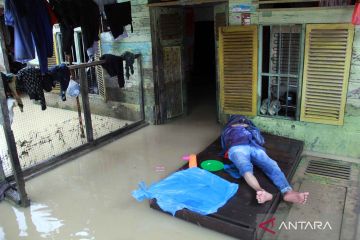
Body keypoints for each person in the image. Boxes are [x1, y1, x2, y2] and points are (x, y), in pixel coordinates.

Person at [221, 115, 309, 204]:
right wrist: (238, 127)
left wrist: (250, 128)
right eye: (238, 120)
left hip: (254, 147)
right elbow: (225, 142)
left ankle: (288, 191)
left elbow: (261, 141)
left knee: (271, 164)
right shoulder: (228, 129)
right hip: (237, 147)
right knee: (245, 168)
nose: (242, 121)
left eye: (244, 120)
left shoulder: (251, 128)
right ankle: (260, 191)